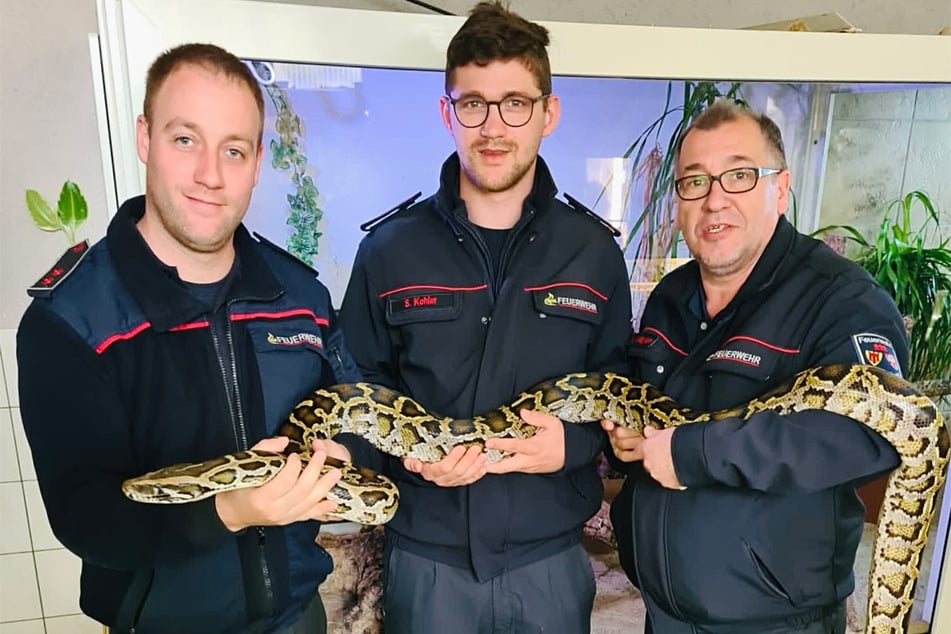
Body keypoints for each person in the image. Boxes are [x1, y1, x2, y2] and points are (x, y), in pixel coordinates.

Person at [16, 43, 361, 634]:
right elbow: (83, 519)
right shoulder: (70, 321)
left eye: (233, 150)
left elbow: (360, 408)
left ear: (256, 163)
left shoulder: (301, 295)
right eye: (185, 140)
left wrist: (348, 458)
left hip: (300, 619)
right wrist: (229, 510)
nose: (210, 173)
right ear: (145, 139)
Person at [315, 2, 632, 632]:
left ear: (548, 112)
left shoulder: (594, 252)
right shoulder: (389, 249)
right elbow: (353, 388)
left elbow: (619, 387)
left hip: (549, 562)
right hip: (426, 564)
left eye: (515, 102)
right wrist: (403, 456)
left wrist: (568, 444)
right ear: (447, 113)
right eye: (473, 104)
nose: (494, 126)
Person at [602, 99, 905, 634]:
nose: (714, 200)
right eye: (694, 182)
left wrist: (692, 452)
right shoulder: (671, 295)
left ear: (780, 188)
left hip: (775, 621)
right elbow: (648, 409)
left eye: (739, 176)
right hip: (661, 613)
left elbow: (869, 435)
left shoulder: (840, 298)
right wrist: (628, 440)